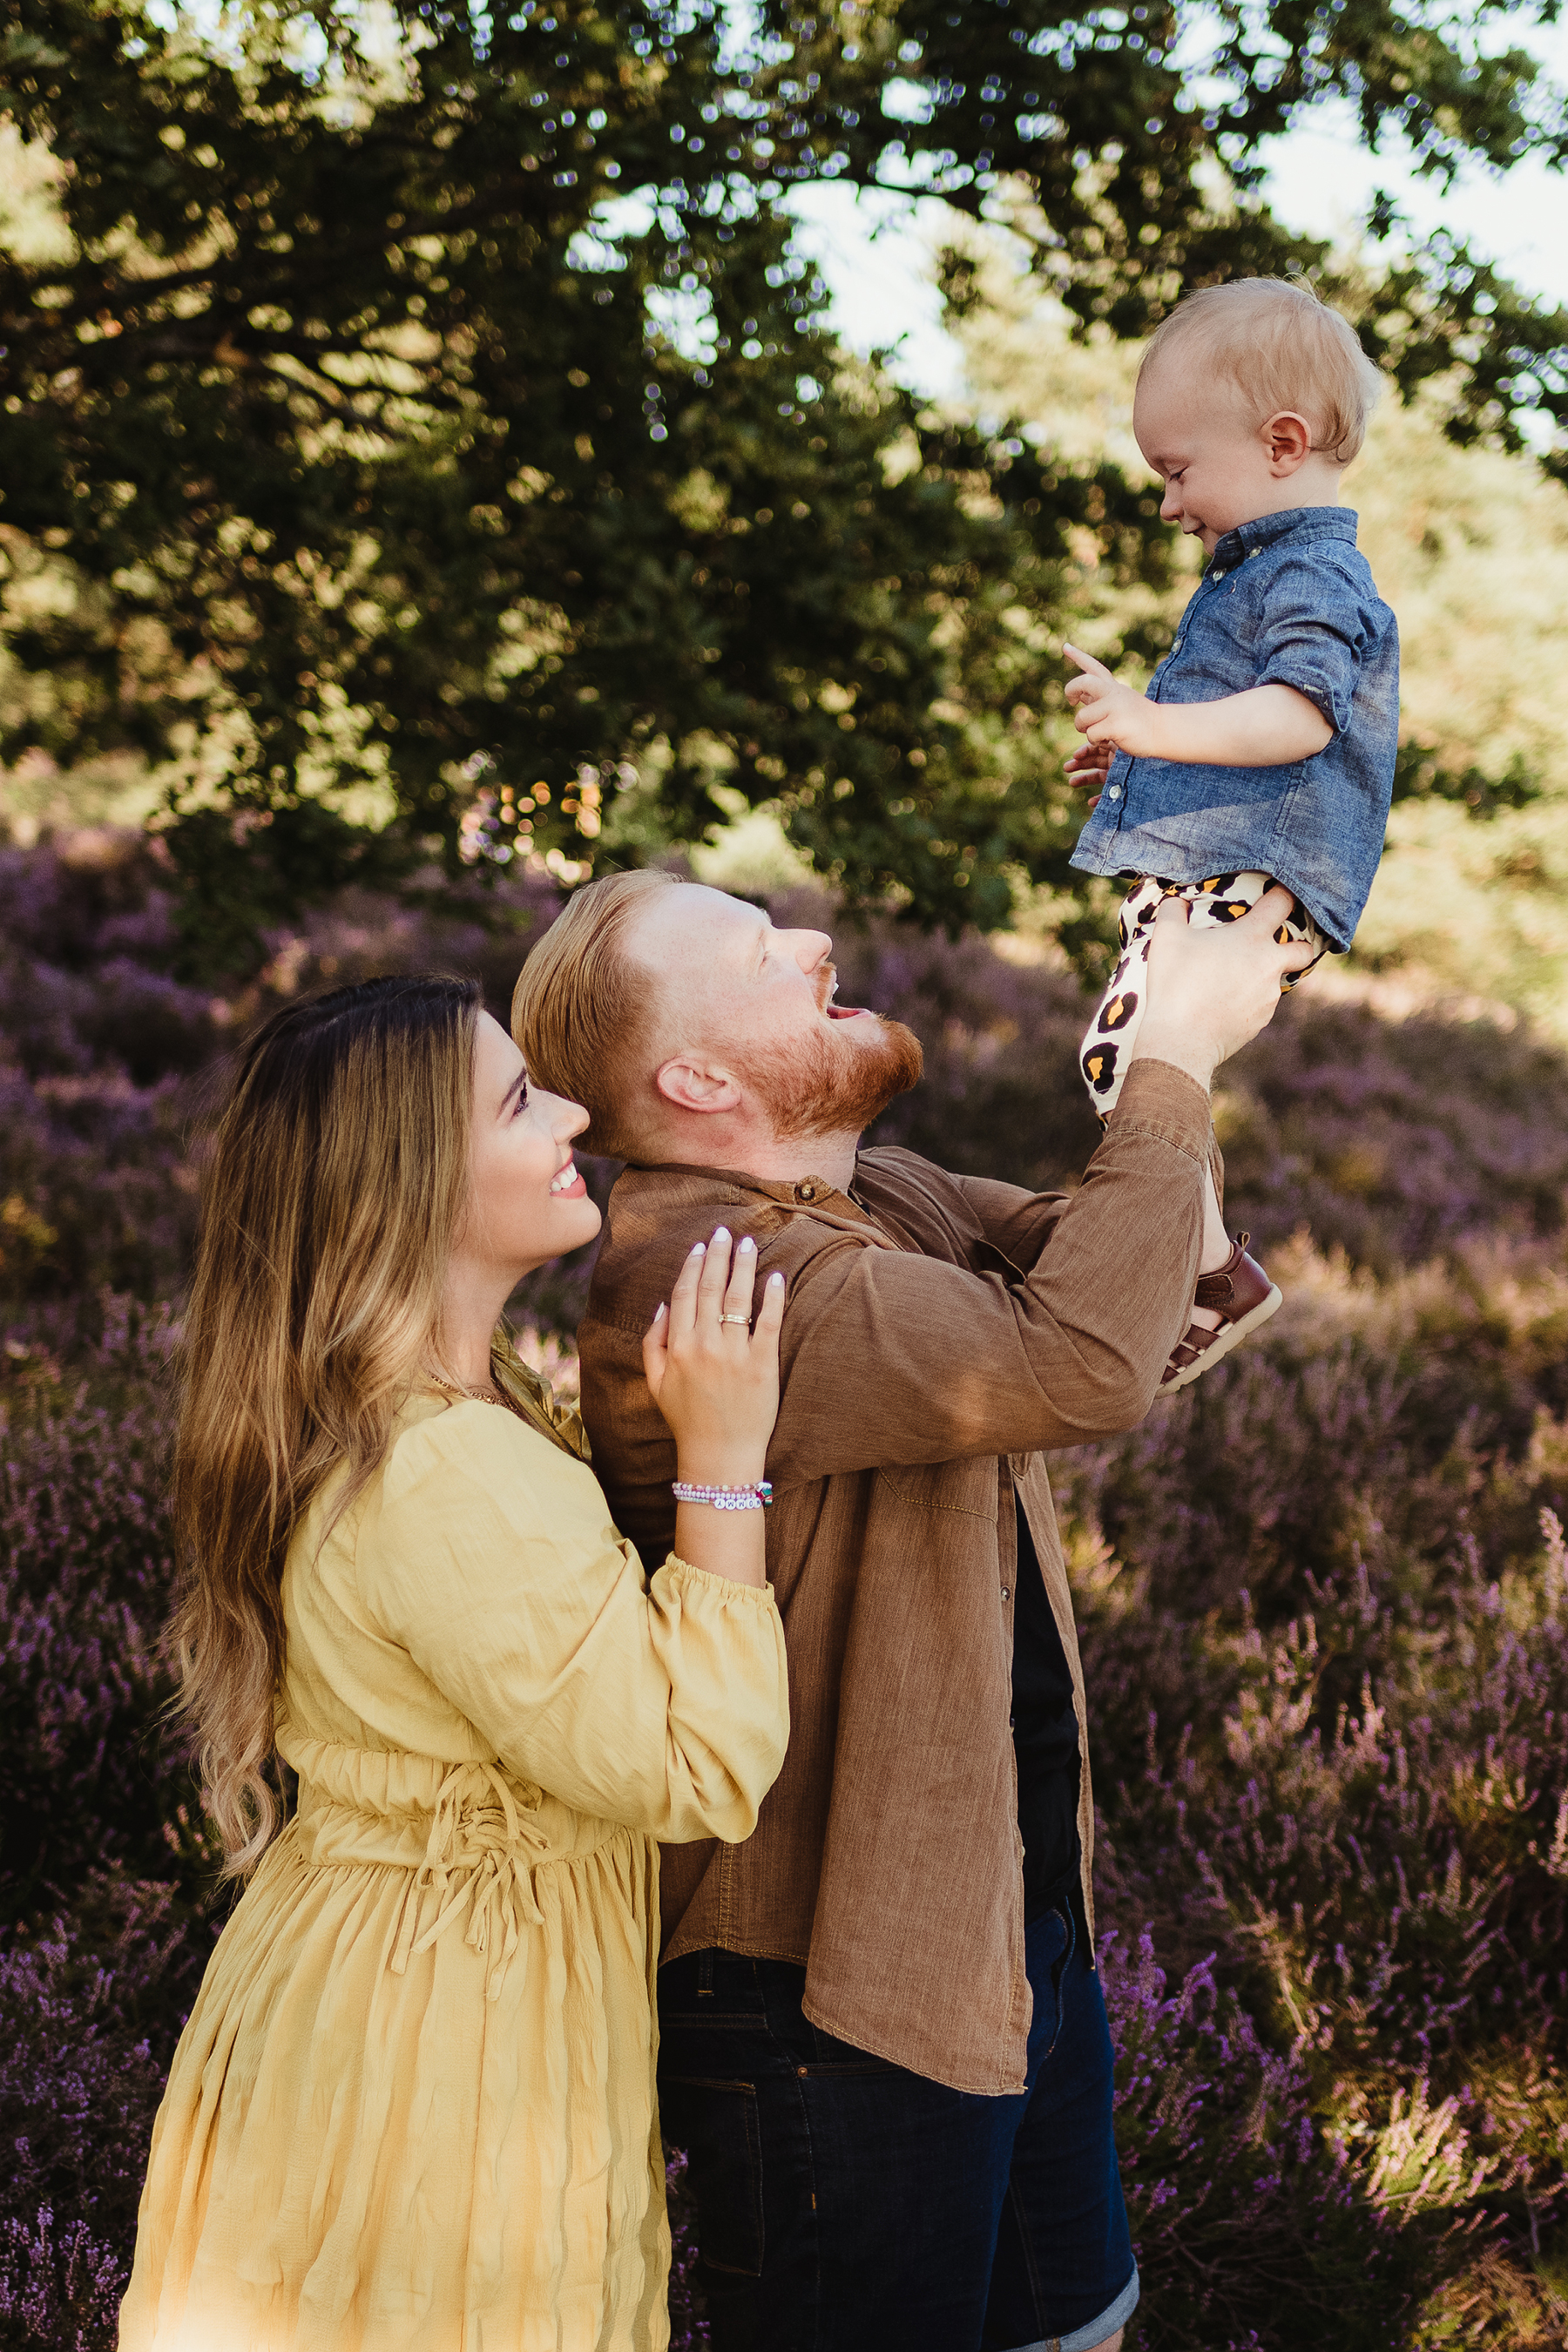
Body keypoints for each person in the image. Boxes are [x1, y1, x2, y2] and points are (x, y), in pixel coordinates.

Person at [511, 868, 1311, 2352]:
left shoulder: (876, 1195)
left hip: (1004, 1910)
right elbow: (1085, 1363)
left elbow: (1170, 1301)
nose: (816, 940)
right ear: (697, 1080)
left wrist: (1178, 968)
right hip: (834, 1983)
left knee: (1075, 2327)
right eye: (762, 951)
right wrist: (1172, 1066)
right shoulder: (724, 1276)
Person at [120, 974, 791, 2352]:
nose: (573, 1116)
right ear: (412, 1185)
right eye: (518, 1101)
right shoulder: (448, 1468)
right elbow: (697, 1764)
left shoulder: (421, 1417)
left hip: (387, 1984)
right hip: (448, 2037)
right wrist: (725, 1463)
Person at [1064, 274, 1400, 1390]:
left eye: (1176, 471)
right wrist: (1142, 757)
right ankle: (1203, 1267)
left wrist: (1156, 723)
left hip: (1257, 873)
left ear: (1282, 443)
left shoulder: (1313, 572)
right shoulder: (1266, 569)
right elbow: (1243, 724)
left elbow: (1299, 717)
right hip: (1220, 859)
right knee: (1122, 1063)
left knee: (1133, 1061)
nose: (1169, 504)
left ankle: (1209, 1276)